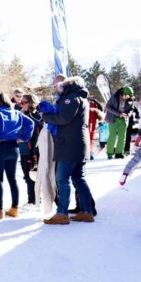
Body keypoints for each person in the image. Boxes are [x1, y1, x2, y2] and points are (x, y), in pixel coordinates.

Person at [40, 76, 97, 225]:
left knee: (62, 179)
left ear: (66, 85)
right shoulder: (80, 97)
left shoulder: (70, 98)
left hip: (70, 146)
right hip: (77, 144)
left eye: (57, 85)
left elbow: (64, 118)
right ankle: (87, 211)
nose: (55, 88)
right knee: (79, 178)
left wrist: (46, 116)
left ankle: (62, 213)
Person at [0, 93, 35, 219]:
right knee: (12, 179)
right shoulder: (17, 113)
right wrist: (23, 138)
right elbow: (30, 123)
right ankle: (14, 209)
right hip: (14, 147)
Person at [18, 93, 43, 207]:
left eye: (24, 102)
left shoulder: (38, 115)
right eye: (21, 102)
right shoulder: (20, 114)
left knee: (34, 176)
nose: (21, 104)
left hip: (35, 150)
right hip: (24, 150)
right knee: (27, 176)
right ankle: (32, 200)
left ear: (31, 102)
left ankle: (35, 200)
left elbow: (38, 133)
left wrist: (35, 152)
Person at [104, 85, 133, 159]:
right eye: (126, 96)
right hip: (113, 118)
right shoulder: (114, 97)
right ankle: (110, 152)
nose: (127, 98)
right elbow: (108, 107)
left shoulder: (130, 99)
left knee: (122, 136)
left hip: (123, 120)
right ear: (122, 93)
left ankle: (119, 153)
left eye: (129, 96)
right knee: (112, 136)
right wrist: (119, 114)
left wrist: (128, 114)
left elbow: (131, 109)